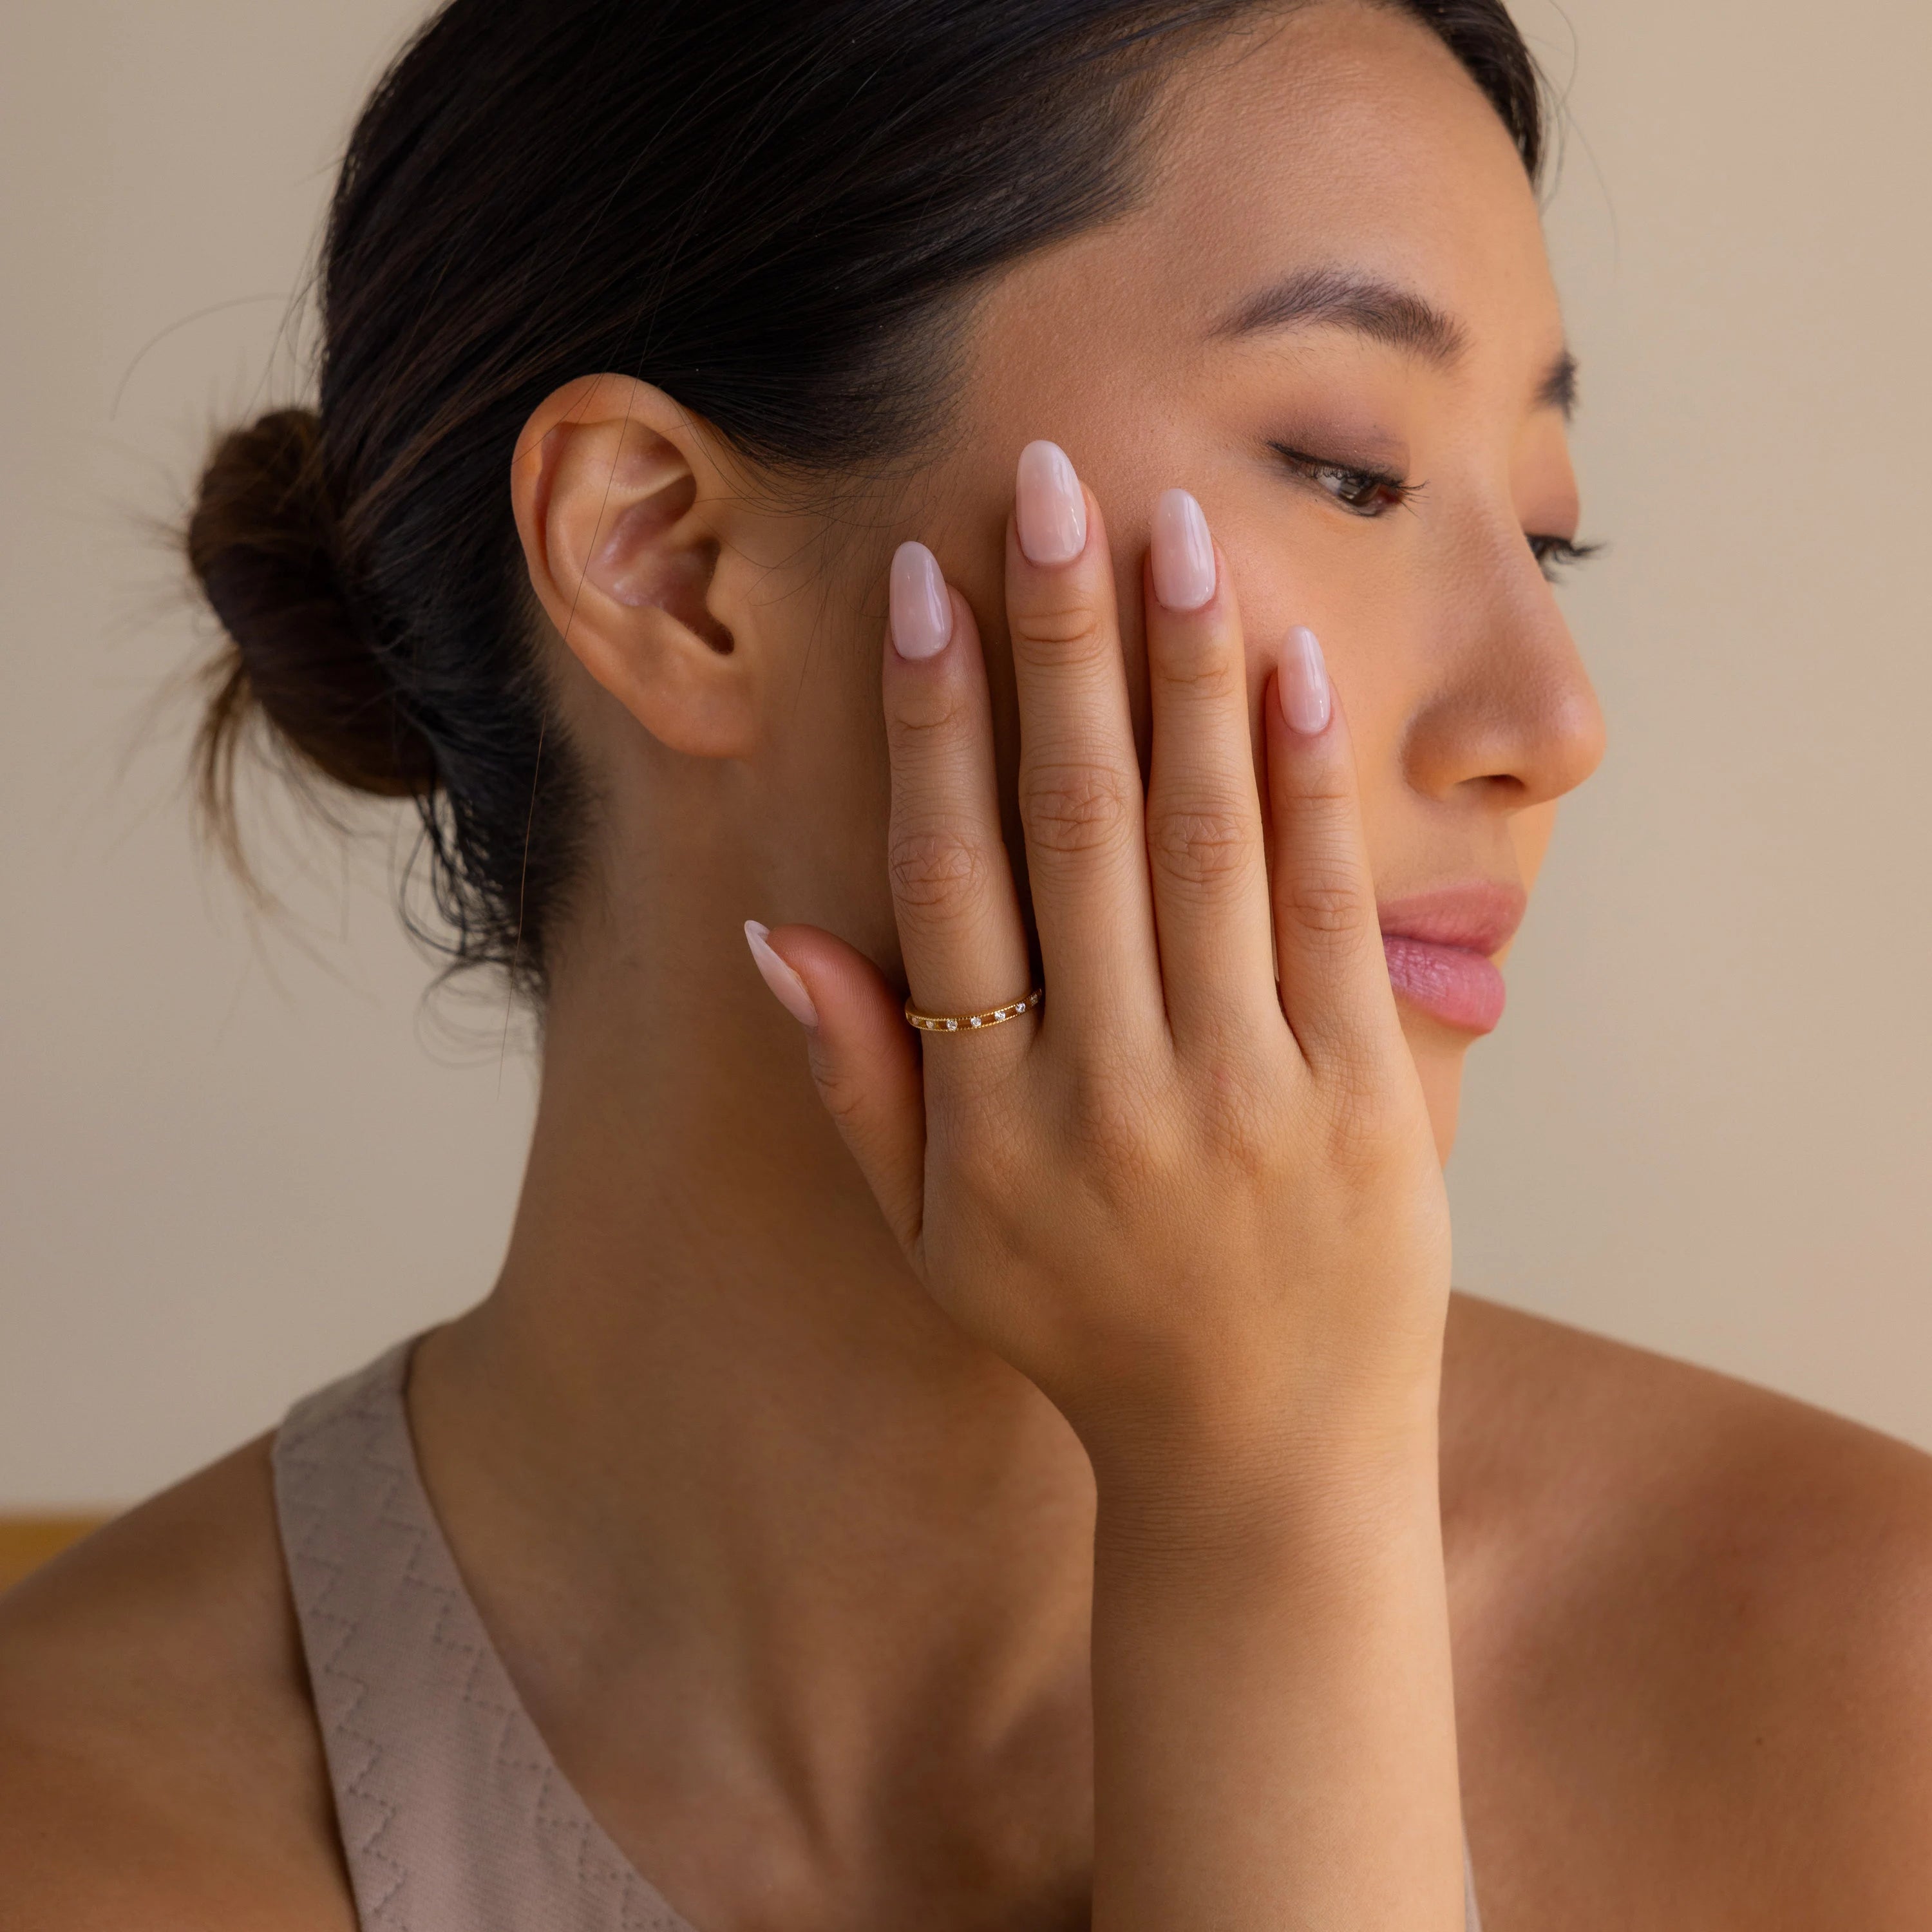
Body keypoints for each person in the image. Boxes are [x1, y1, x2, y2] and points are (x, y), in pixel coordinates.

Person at [3, 0, 1929, 1924]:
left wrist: (1268, 1512)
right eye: (1349, 470)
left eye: (1545, 532)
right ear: (665, 560)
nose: (1550, 718)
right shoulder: (80, 1826)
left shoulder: (1864, 1704)